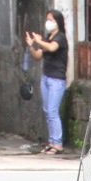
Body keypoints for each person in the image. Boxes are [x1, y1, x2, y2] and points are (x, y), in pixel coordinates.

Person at [24, 9, 69, 156]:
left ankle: (58, 144)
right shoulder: (48, 38)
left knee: (52, 111)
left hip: (57, 80)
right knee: (47, 111)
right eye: (47, 19)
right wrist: (31, 45)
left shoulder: (60, 38)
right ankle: (51, 142)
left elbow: (51, 47)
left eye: (51, 20)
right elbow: (38, 55)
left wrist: (38, 41)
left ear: (57, 22)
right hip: (46, 78)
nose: (48, 22)